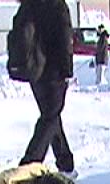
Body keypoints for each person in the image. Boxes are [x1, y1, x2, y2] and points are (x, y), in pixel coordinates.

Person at [11, 0, 76, 172]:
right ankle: (27, 167)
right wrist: (67, 70)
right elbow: (64, 39)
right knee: (50, 117)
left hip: (34, 72)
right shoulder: (57, 5)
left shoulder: (28, 5)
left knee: (52, 115)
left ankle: (66, 164)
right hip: (54, 72)